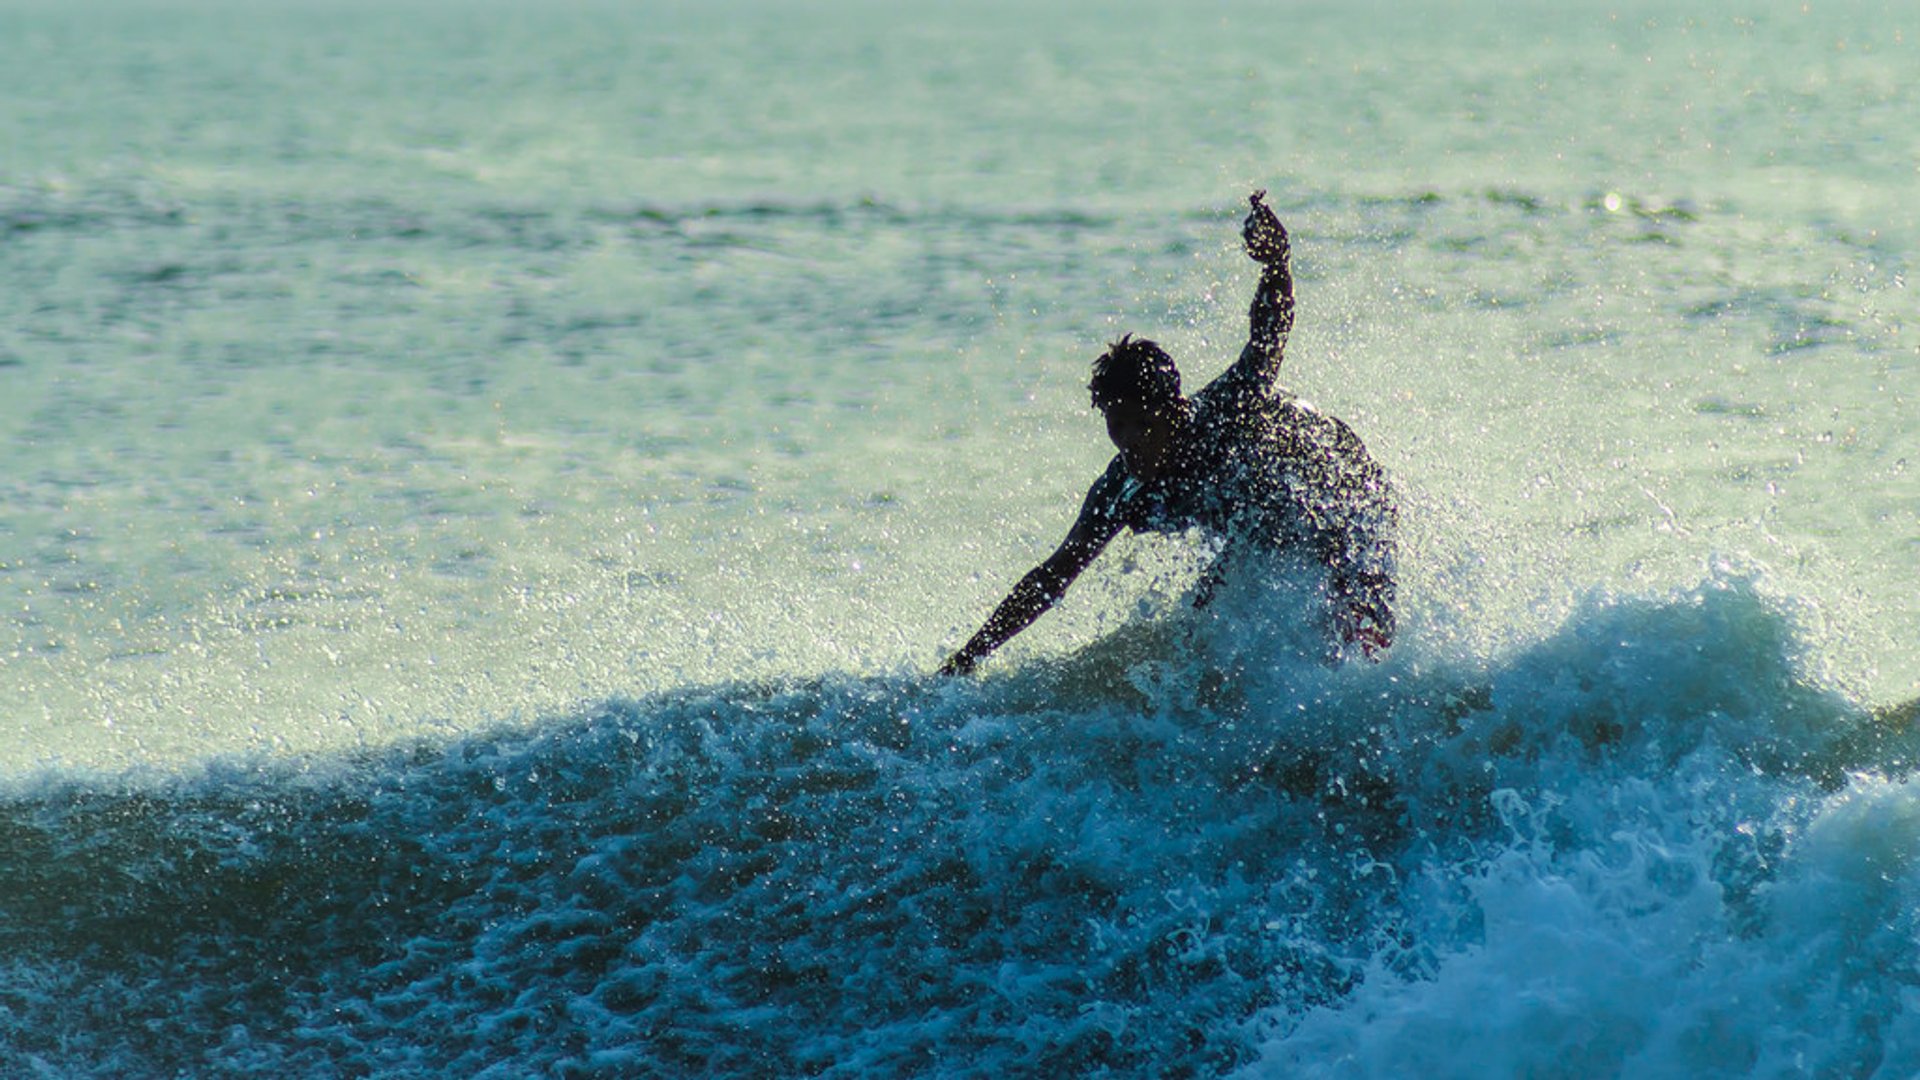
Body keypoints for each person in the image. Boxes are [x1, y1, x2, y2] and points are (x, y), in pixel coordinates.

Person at [938, 190, 1396, 676]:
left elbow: (1270, 331)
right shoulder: (1123, 488)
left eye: (1141, 428)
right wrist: (969, 656)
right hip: (1262, 530)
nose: (1129, 444)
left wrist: (1277, 263)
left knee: (1354, 639)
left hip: (1344, 494)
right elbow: (1053, 576)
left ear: (1173, 411)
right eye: (1117, 428)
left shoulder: (1228, 407)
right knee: (1200, 634)